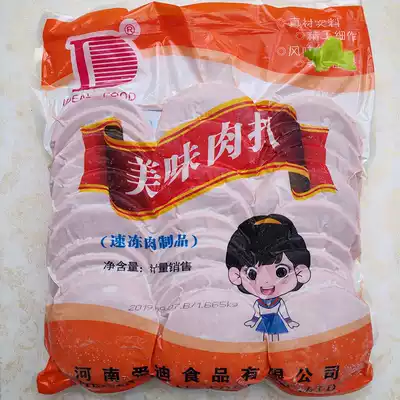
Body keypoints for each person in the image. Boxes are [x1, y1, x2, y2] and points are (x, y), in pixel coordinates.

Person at [226, 214, 311, 342]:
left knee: (275, 337)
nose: (266, 281)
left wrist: (289, 321)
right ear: (236, 275)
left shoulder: (278, 302)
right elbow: (256, 313)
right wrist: (252, 321)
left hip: (276, 320)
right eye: (252, 274)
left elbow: (284, 313)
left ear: (300, 272)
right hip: (264, 321)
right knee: (263, 337)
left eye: (281, 272)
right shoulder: (259, 303)